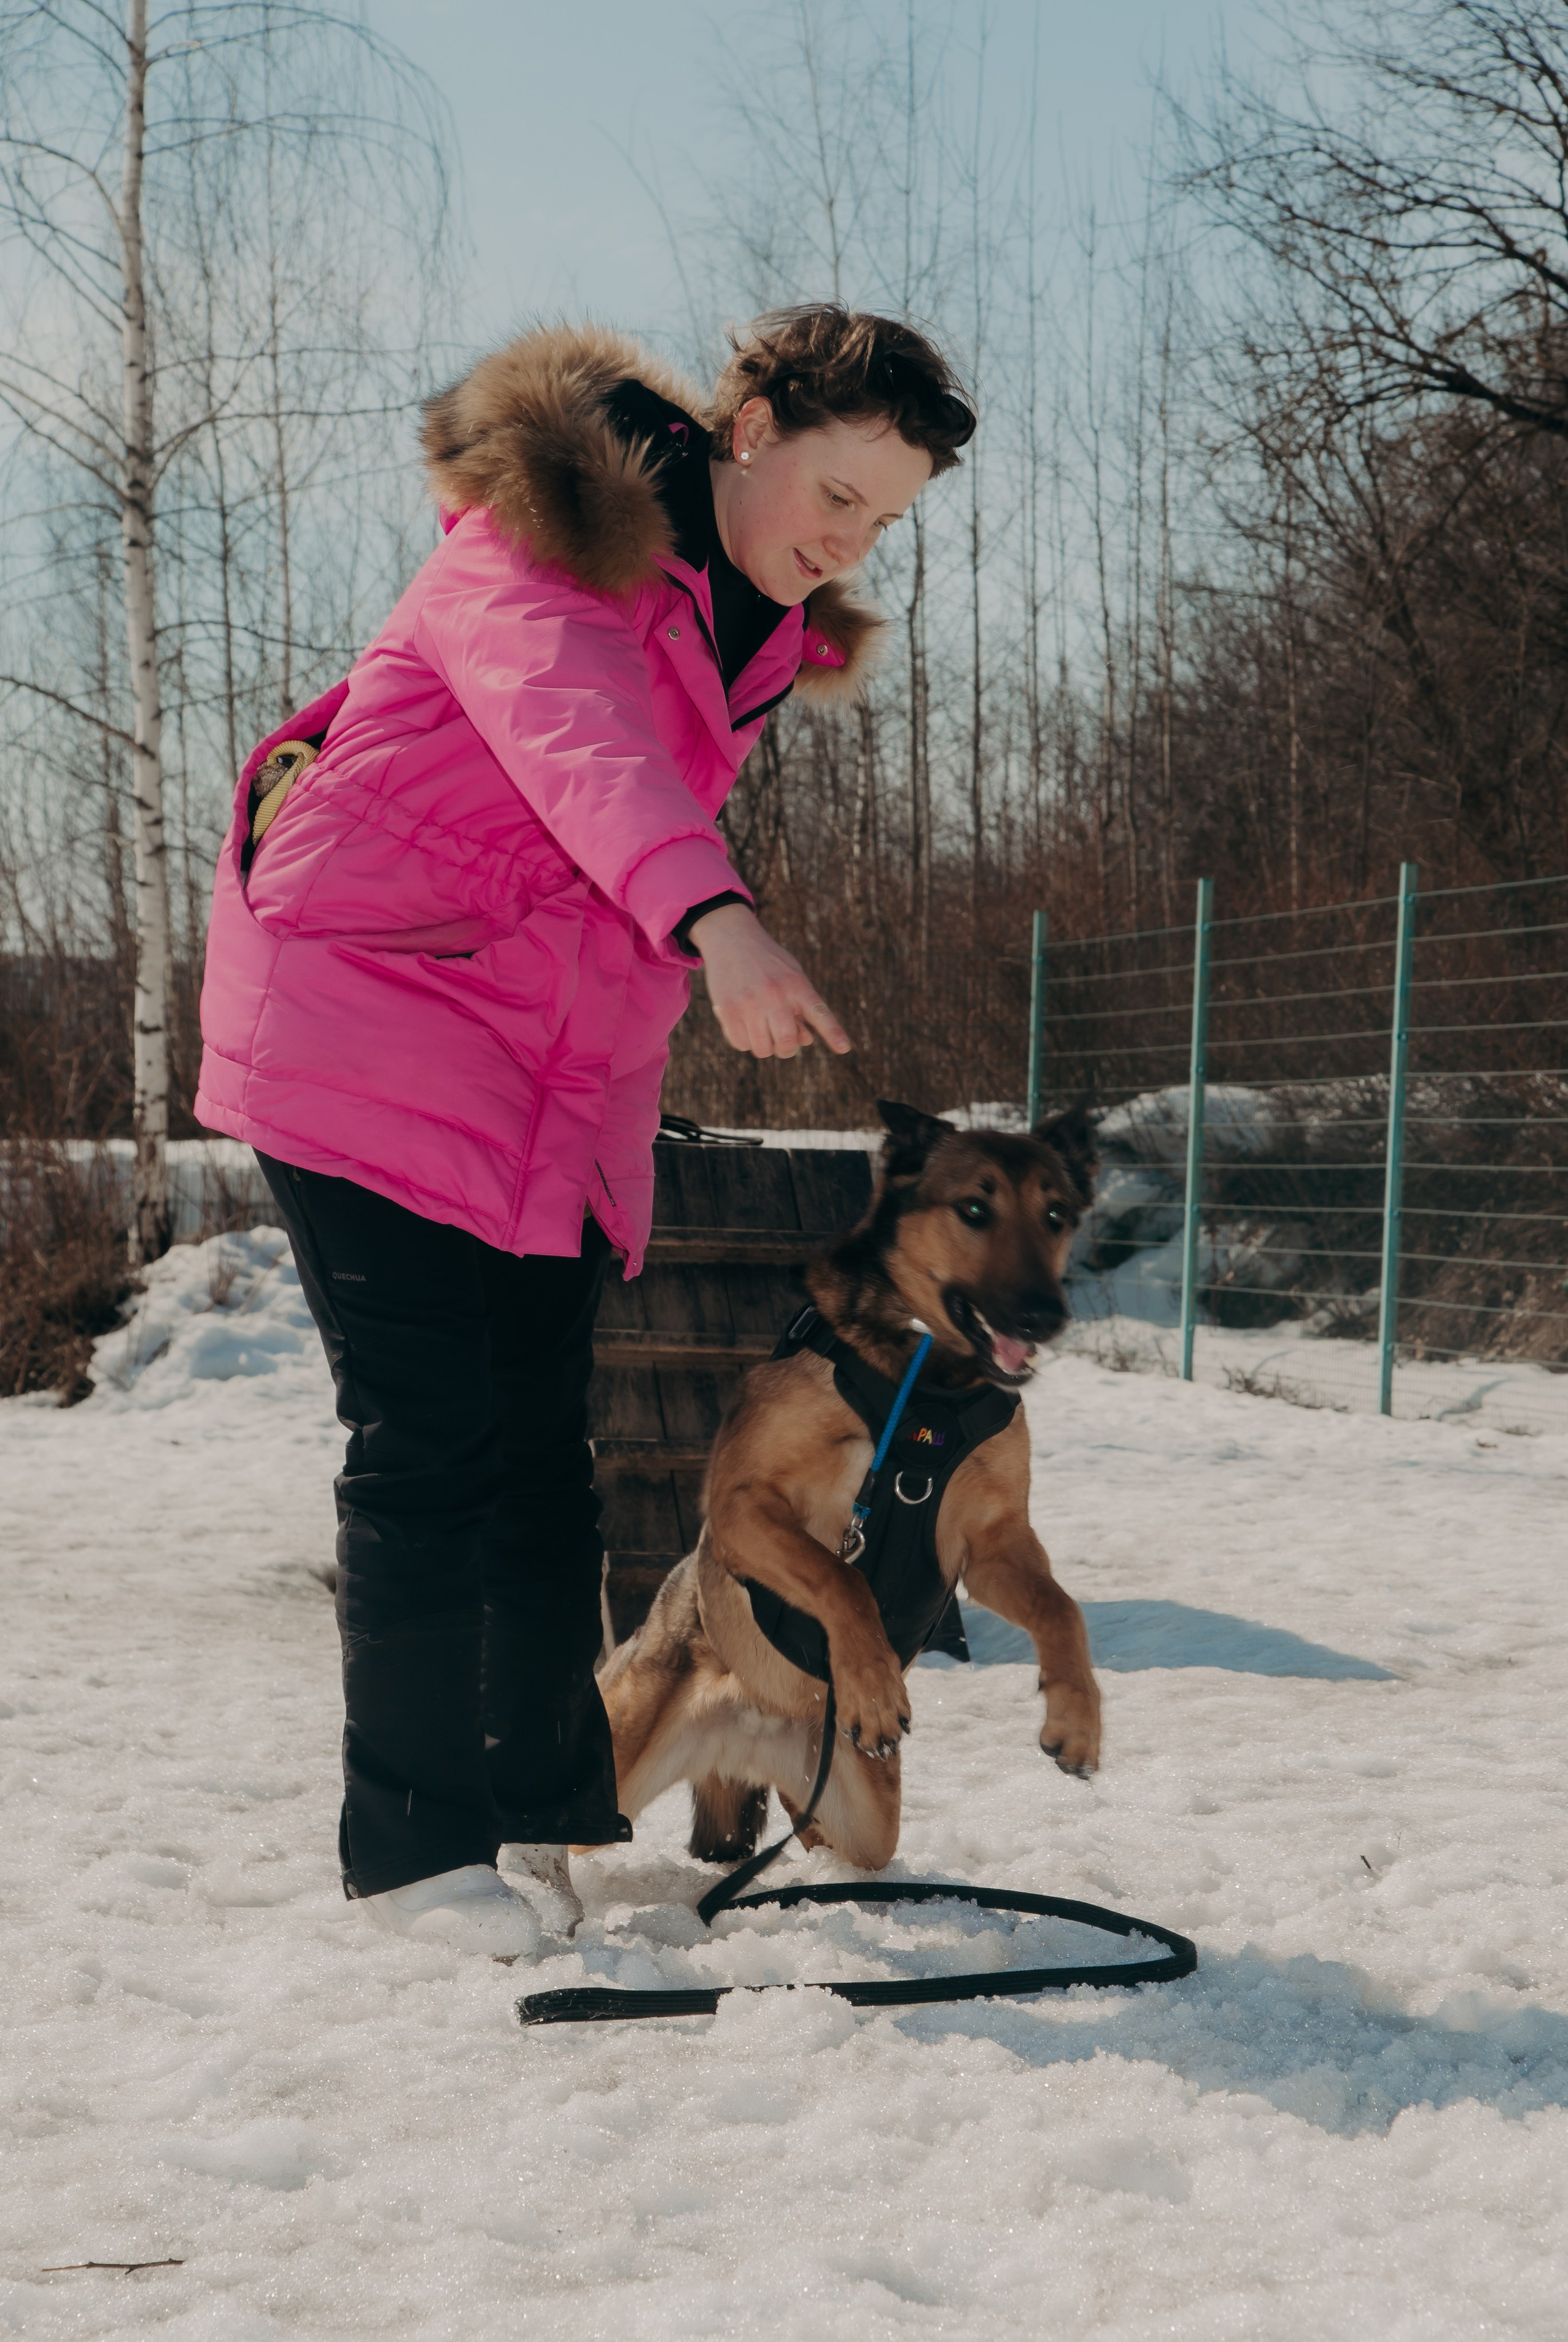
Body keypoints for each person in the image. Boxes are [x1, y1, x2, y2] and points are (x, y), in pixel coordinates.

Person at [195, 303, 976, 1955]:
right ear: (748, 428)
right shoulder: (545, 545)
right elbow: (584, 753)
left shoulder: (736, 632)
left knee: (549, 1455)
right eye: (837, 495)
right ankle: (413, 1859)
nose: (849, 541)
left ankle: (542, 1813)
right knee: (432, 1449)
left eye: (883, 522)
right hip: (363, 1024)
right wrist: (722, 923)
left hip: (535, 1078)